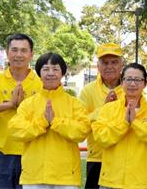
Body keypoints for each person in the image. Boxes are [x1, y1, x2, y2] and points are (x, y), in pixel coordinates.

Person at [9, 52, 91, 188]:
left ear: (63, 73)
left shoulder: (74, 104)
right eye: (46, 69)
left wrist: (56, 121)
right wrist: (43, 122)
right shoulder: (28, 104)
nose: (50, 73)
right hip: (34, 175)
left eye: (55, 69)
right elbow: (15, 129)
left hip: (66, 176)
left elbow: (82, 131)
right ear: (39, 73)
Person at [0, 34, 43, 189]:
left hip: (32, 152)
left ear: (31, 54)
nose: (19, 55)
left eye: (24, 50)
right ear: (7, 53)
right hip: (1, 152)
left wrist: (23, 107)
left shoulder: (41, 83)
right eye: (14, 50)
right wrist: (9, 105)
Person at [92, 63, 147, 188]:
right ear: (122, 82)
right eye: (129, 79)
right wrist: (125, 123)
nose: (133, 84)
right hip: (111, 180)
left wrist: (136, 123)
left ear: (145, 84)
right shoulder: (108, 109)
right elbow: (100, 138)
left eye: (137, 80)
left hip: (142, 182)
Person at [78, 43, 124, 189]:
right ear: (98, 66)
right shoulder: (88, 91)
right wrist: (103, 110)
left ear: (121, 65)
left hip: (123, 157)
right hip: (97, 157)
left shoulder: (131, 88)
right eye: (105, 62)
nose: (109, 66)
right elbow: (81, 123)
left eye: (114, 62)